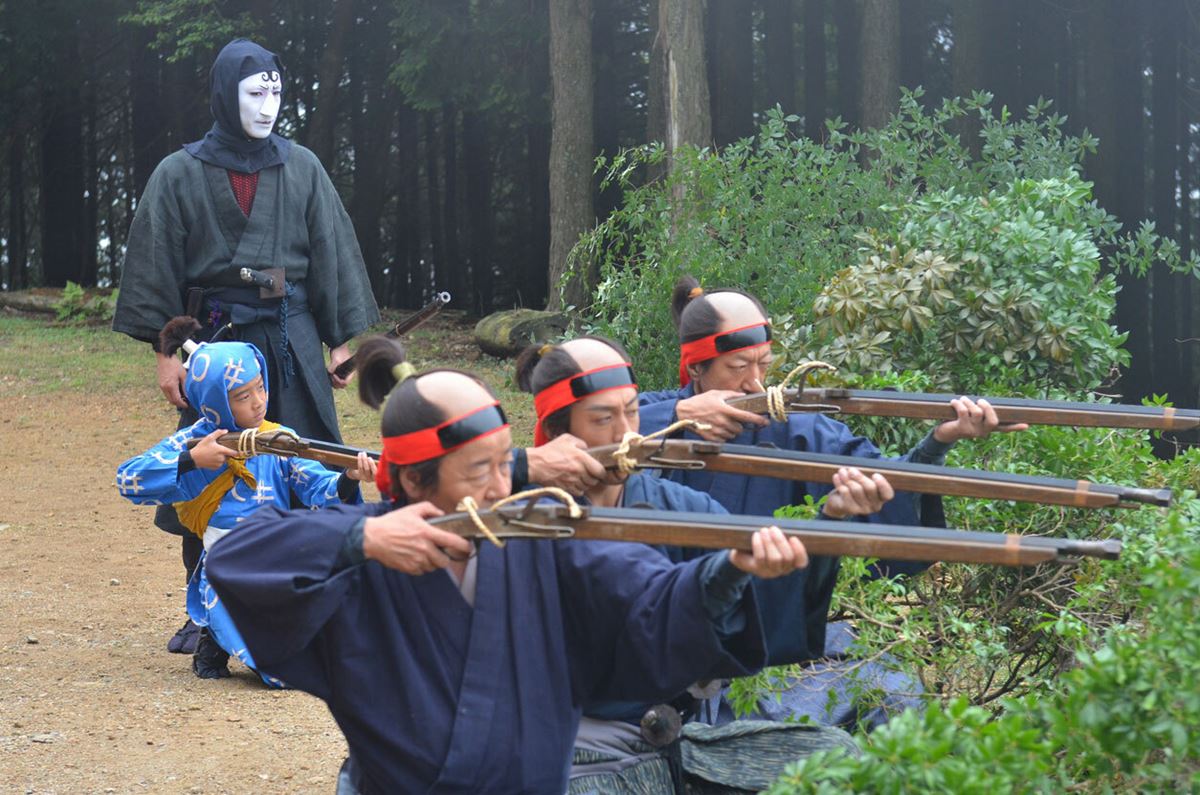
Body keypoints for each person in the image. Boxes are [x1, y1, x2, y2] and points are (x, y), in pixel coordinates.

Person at [204, 336, 810, 794]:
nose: (502, 488)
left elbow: (647, 597)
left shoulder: (542, 542)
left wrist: (729, 568)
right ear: (414, 480)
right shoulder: (366, 556)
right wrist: (364, 537)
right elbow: (237, 556)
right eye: (481, 471)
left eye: (509, 465)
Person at [518, 337, 891, 794]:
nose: (626, 432)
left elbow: (753, 607)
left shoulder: (680, 505)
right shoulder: (519, 522)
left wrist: (830, 518)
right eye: (603, 419)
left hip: (673, 738)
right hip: (567, 749)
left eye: (632, 412)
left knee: (836, 760)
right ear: (559, 431)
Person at [112, 39, 380, 653]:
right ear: (225, 95)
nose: (268, 105)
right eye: (254, 92)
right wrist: (165, 352)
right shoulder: (179, 172)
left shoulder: (303, 166)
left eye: (276, 92)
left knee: (311, 461)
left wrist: (340, 344)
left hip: (292, 336)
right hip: (215, 348)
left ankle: (323, 599)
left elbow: (331, 253)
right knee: (211, 470)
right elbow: (156, 262)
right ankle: (205, 607)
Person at [116, 328, 375, 682]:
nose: (258, 402)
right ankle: (215, 639)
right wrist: (192, 459)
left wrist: (348, 477)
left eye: (260, 387)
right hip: (229, 563)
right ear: (215, 400)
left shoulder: (281, 439)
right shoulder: (195, 440)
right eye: (241, 395)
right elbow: (129, 479)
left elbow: (320, 489)